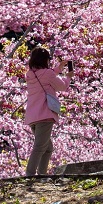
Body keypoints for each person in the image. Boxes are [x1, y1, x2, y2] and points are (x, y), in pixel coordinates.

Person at [23, 47, 71, 176]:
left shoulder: (30, 74)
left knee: (48, 148)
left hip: (33, 116)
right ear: (45, 60)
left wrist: (59, 68)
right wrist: (68, 77)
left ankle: (42, 174)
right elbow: (62, 86)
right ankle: (30, 175)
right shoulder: (48, 74)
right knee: (39, 147)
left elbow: (46, 75)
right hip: (45, 114)